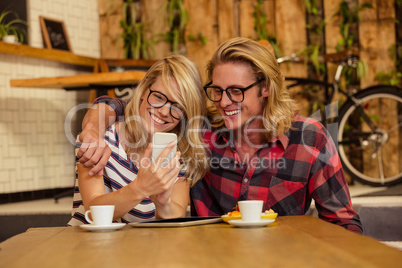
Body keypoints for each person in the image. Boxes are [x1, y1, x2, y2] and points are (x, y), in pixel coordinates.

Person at [76, 37, 362, 234]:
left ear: (265, 89)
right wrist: (91, 130)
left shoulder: (309, 140)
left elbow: (344, 223)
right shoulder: (202, 131)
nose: (224, 102)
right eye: (217, 91)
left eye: (236, 91)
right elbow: (127, 107)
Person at [67, 55, 209, 225]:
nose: (164, 111)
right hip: (86, 247)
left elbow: (175, 214)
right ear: (143, 91)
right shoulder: (100, 139)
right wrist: (140, 188)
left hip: (137, 250)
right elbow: (94, 211)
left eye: (177, 106)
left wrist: (163, 205)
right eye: (159, 97)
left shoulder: (178, 155)